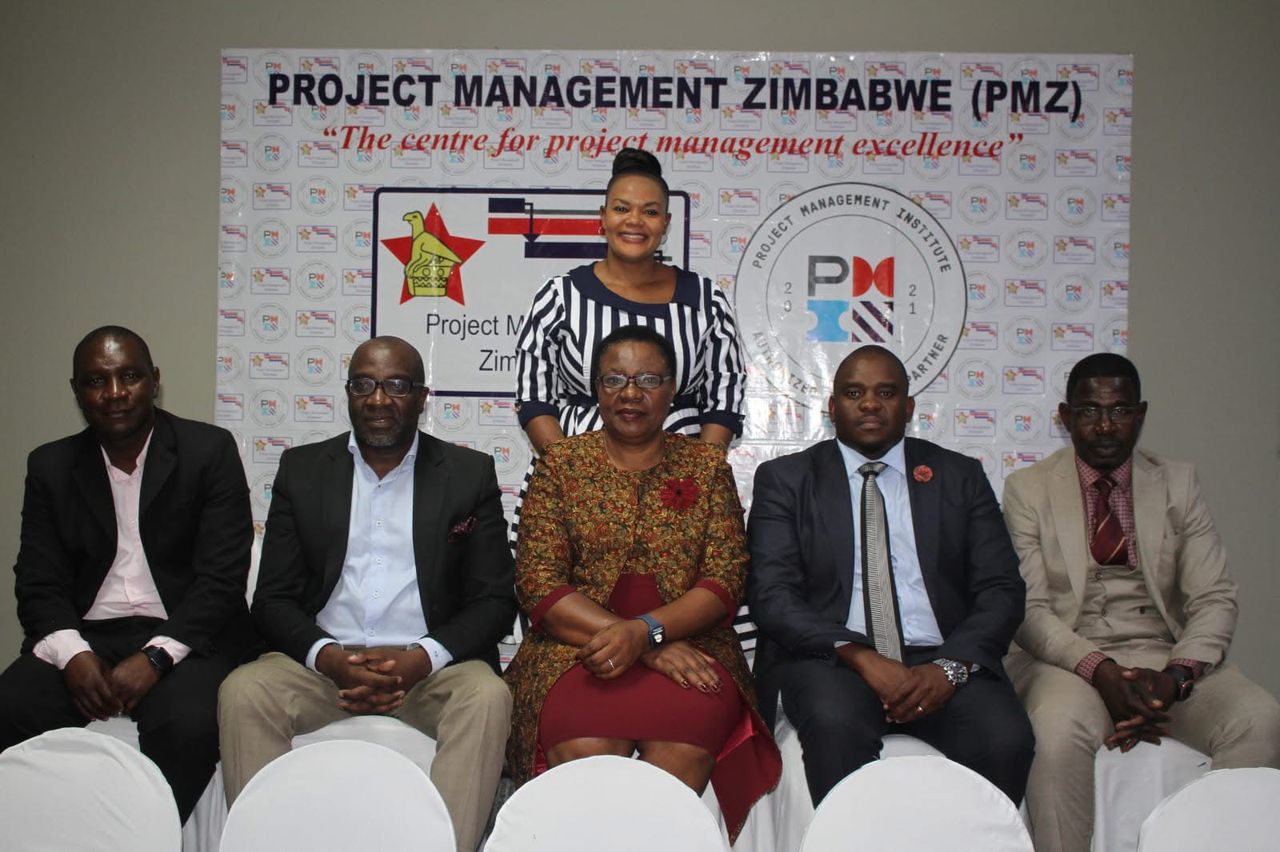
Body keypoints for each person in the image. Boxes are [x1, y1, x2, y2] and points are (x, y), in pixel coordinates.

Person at [218, 336, 516, 852]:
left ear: (422, 397)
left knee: (487, 697)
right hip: (324, 667)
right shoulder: (303, 470)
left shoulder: (468, 475)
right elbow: (272, 600)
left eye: (396, 385)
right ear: (348, 394)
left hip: (429, 670)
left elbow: (494, 602)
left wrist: (421, 658)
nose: (379, 400)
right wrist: (330, 658)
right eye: (364, 385)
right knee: (244, 691)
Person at [504, 325, 780, 843]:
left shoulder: (705, 466)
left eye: (648, 379)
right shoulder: (561, 464)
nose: (630, 393)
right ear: (596, 388)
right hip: (574, 650)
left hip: (694, 647)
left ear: (672, 390)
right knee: (586, 755)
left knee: (679, 755)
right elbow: (539, 583)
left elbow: (725, 580)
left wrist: (647, 632)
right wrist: (644, 642)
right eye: (615, 379)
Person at [1002, 352, 1280, 852]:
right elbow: (1029, 611)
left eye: (1120, 410)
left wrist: (1174, 678)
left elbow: (1215, 597)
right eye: (1089, 410)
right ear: (1065, 417)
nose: (1105, 425)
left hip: (1162, 655)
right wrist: (1102, 671)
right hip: (1066, 660)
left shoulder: (1177, 482)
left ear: (1141, 414)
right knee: (1057, 731)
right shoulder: (1028, 489)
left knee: (1258, 719)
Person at [747, 345, 1034, 806]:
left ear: (909, 407)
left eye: (886, 393)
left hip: (942, 658)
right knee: (835, 724)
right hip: (833, 660)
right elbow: (772, 595)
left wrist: (949, 668)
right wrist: (861, 657)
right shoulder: (787, 479)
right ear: (832, 407)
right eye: (854, 393)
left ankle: (970, 837)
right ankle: (850, 837)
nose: (869, 404)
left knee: (1004, 737)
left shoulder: (958, 476)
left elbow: (1000, 589)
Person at [0, 326, 254, 821]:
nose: (115, 393)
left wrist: (156, 657)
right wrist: (73, 655)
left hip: (185, 636)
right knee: (10, 706)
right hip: (88, 634)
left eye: (130, 377)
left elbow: (221, 579)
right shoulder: (51, 465)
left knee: (189, 726)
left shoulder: (208, 451)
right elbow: (38, 581)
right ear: (77, 391)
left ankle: (143, 835)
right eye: (96, 381)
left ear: (155, 381)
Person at [513, 147, 745, 484]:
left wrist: (696, 479)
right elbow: (534, 398)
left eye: (650, 211)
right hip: (575, 481)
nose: (634, 220)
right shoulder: (559, 296)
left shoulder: (705, 299)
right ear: (603, 217)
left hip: (679, 487)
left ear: (665, 223)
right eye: (622, 208)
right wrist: (572, 479)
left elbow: (725, 395)